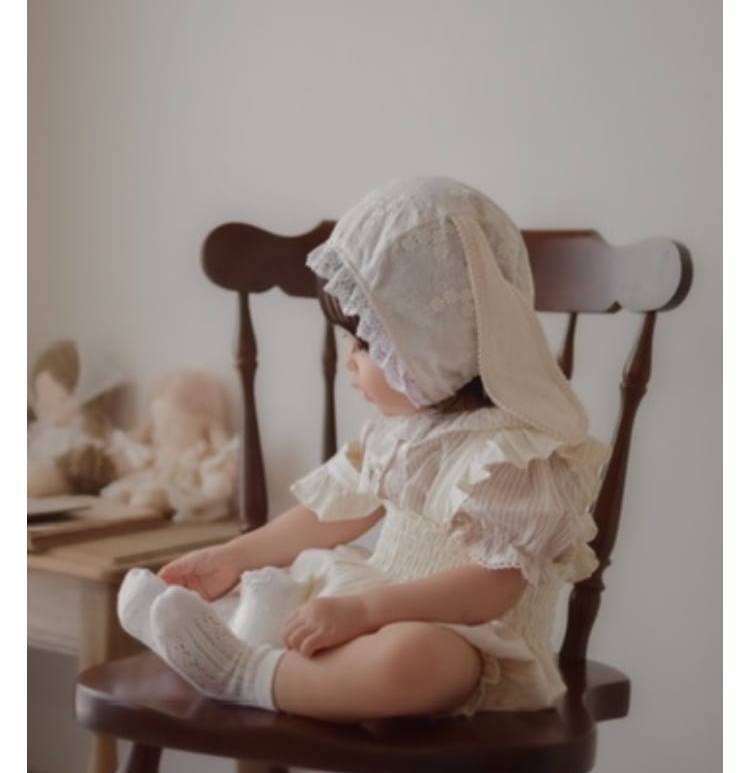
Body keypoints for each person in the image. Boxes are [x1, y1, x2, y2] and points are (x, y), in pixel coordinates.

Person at [118, 176, 609, 722]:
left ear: (436, 342)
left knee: (416, 659)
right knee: (296, 588)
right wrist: (232, 557)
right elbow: (326, 517)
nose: (350, 359)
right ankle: (210, 637)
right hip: (371, 608)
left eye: (366, 341)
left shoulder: (514, 454)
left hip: (470, 639)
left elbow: (490, 589)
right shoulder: (398, 432)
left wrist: (366, 611)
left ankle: (246, 673)